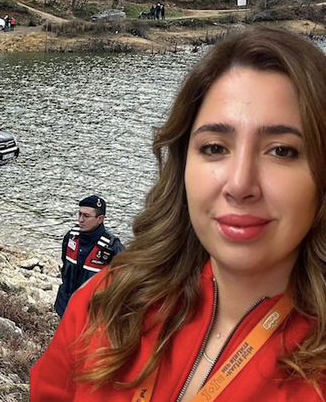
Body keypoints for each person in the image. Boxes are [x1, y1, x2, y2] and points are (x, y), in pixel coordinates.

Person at [30, 27, 326, 401]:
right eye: (215, 147)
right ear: (184, 164)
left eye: (282, 151)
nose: (239, 184)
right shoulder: (109, 301)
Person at [53, 195, 124, 317]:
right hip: (65, 306)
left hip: (92, 314)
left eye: (86, 216)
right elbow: (65, 265)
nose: (80, 220)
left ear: (100, 219)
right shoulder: (71, 237)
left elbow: (123, 282)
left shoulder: (113, 248)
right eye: (79, 214)